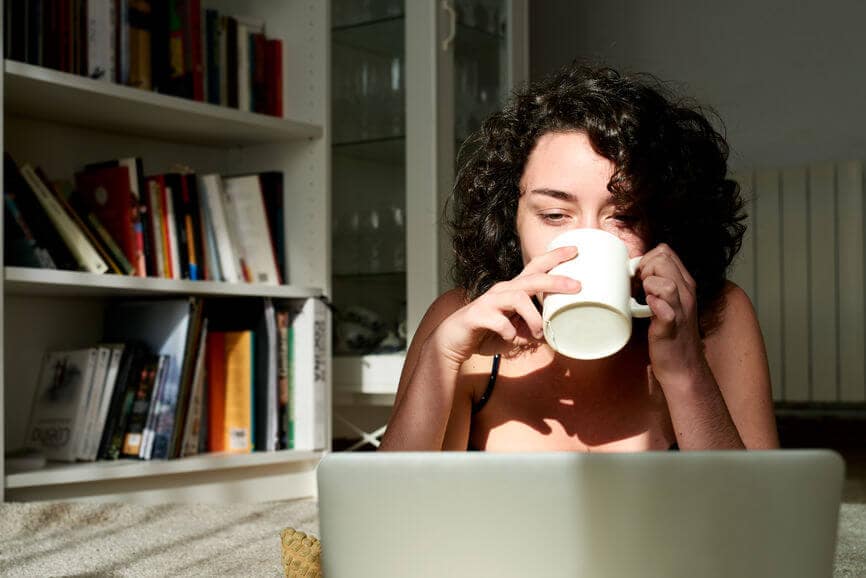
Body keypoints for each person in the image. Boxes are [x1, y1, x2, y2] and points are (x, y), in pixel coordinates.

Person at [379, 62, 779, 452]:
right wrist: (442, 356)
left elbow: (758, 516)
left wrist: (687, 371)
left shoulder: (717, 316)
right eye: (554, 215)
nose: (587, 238)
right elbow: (387, 511)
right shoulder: (460, 322)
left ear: (663, 223)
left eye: (622, 216)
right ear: (509, 219)